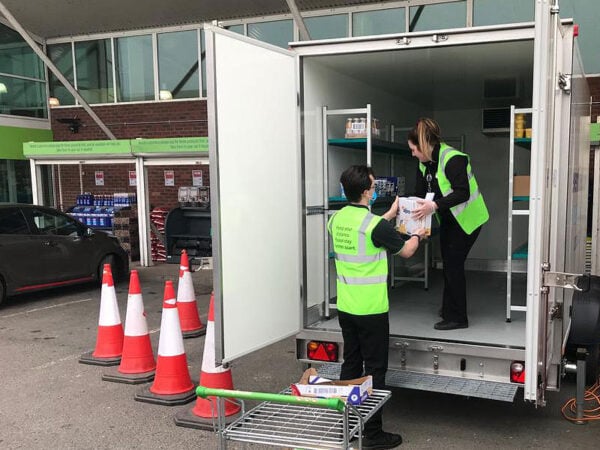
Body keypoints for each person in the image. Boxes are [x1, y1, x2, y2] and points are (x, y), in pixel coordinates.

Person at [327, 165, 426, 450]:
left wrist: (389, 215)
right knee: (375, 370)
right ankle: (372, 432)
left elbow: (365, 232)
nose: (374, 190)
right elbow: (406, 250)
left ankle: (349, 425)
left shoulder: (336, 220)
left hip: (346, 307)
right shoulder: (375, 226)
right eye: (373, 186)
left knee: (351, 365)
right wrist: (419, 233)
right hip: (371, 310)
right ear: (367, 192)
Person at [408, 118, 489, 330]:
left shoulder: (453, 159)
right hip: (448, 219)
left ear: (424, 145)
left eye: (414, 149)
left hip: (467, 220)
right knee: (449, 264)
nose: (412, 153)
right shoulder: (424, 162)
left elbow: (463, 192)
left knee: (453, 266)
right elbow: (419, 195)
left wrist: (433, 207)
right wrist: (416, 223)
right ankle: (449, 309)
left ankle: (458, 318)